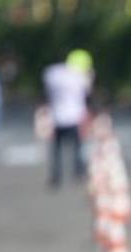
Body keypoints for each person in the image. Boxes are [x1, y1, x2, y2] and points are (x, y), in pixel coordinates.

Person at [43, 49, 93, 189]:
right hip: (75, 114)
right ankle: (79, 172)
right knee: (77, 146)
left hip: (57, 115)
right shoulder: (76, 74)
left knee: (56, 149)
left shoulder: (50, 74)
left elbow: (47, 92)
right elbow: (86, 92)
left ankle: (56, 175)